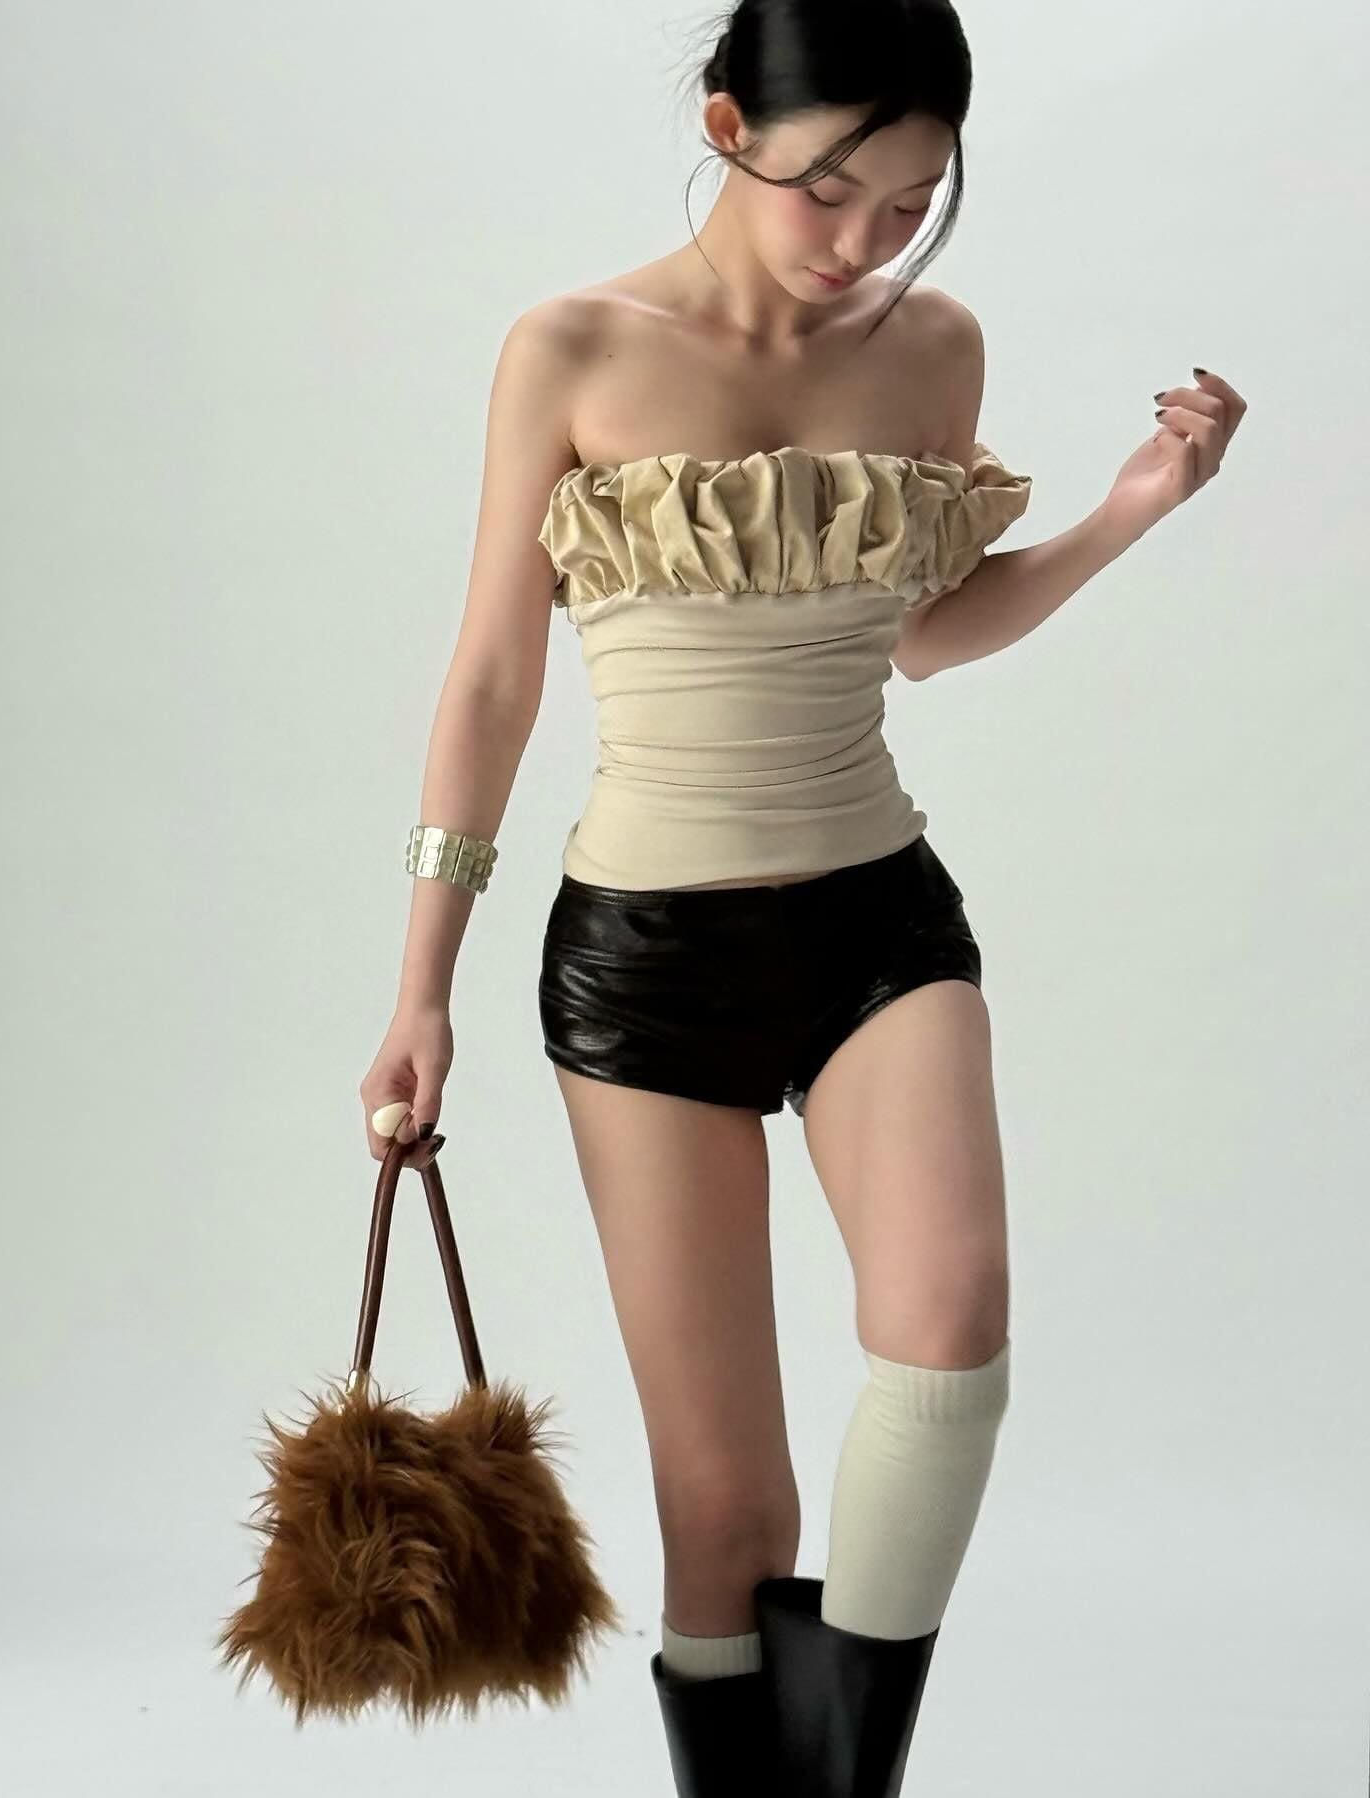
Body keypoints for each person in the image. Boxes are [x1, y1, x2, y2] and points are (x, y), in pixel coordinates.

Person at [360, 1, 1246, 1790]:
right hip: (644, 962)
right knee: (726, 1505)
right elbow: (492, 680)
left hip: (878, 925)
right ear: (726, 128)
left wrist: (1131, 506)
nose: (863, 239)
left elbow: (922, 632)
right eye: (830, 189)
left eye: (911, 202)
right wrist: (420, 986)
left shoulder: (934, 347)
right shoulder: (573, 347)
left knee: (950, 1337)